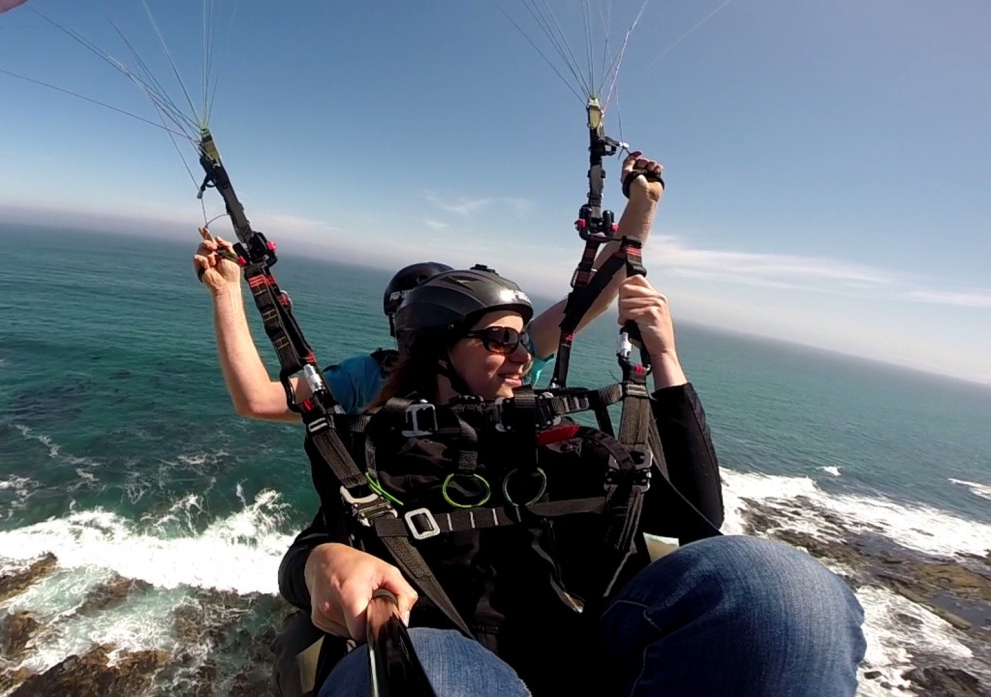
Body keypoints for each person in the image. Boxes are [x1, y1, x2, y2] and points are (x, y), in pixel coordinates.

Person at [276, 266, 867, 696]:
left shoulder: (556, 437)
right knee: (429, 666)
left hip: (590, 650)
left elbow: (695, 520)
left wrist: (663, 357)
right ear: (437, 350)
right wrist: (322, 562)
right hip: (453, 659)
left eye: (521, 340)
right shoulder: (375, 447)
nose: (520, 355)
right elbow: (316, 544)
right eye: (499, 338)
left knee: (784, 586)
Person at [192, 153, 668, 418]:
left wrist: (642, 202)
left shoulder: (498, 360)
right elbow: (589, 300)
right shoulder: (375, 377)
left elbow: (592, 295)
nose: (517, 353)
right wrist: (228, 290)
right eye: (498, 337)